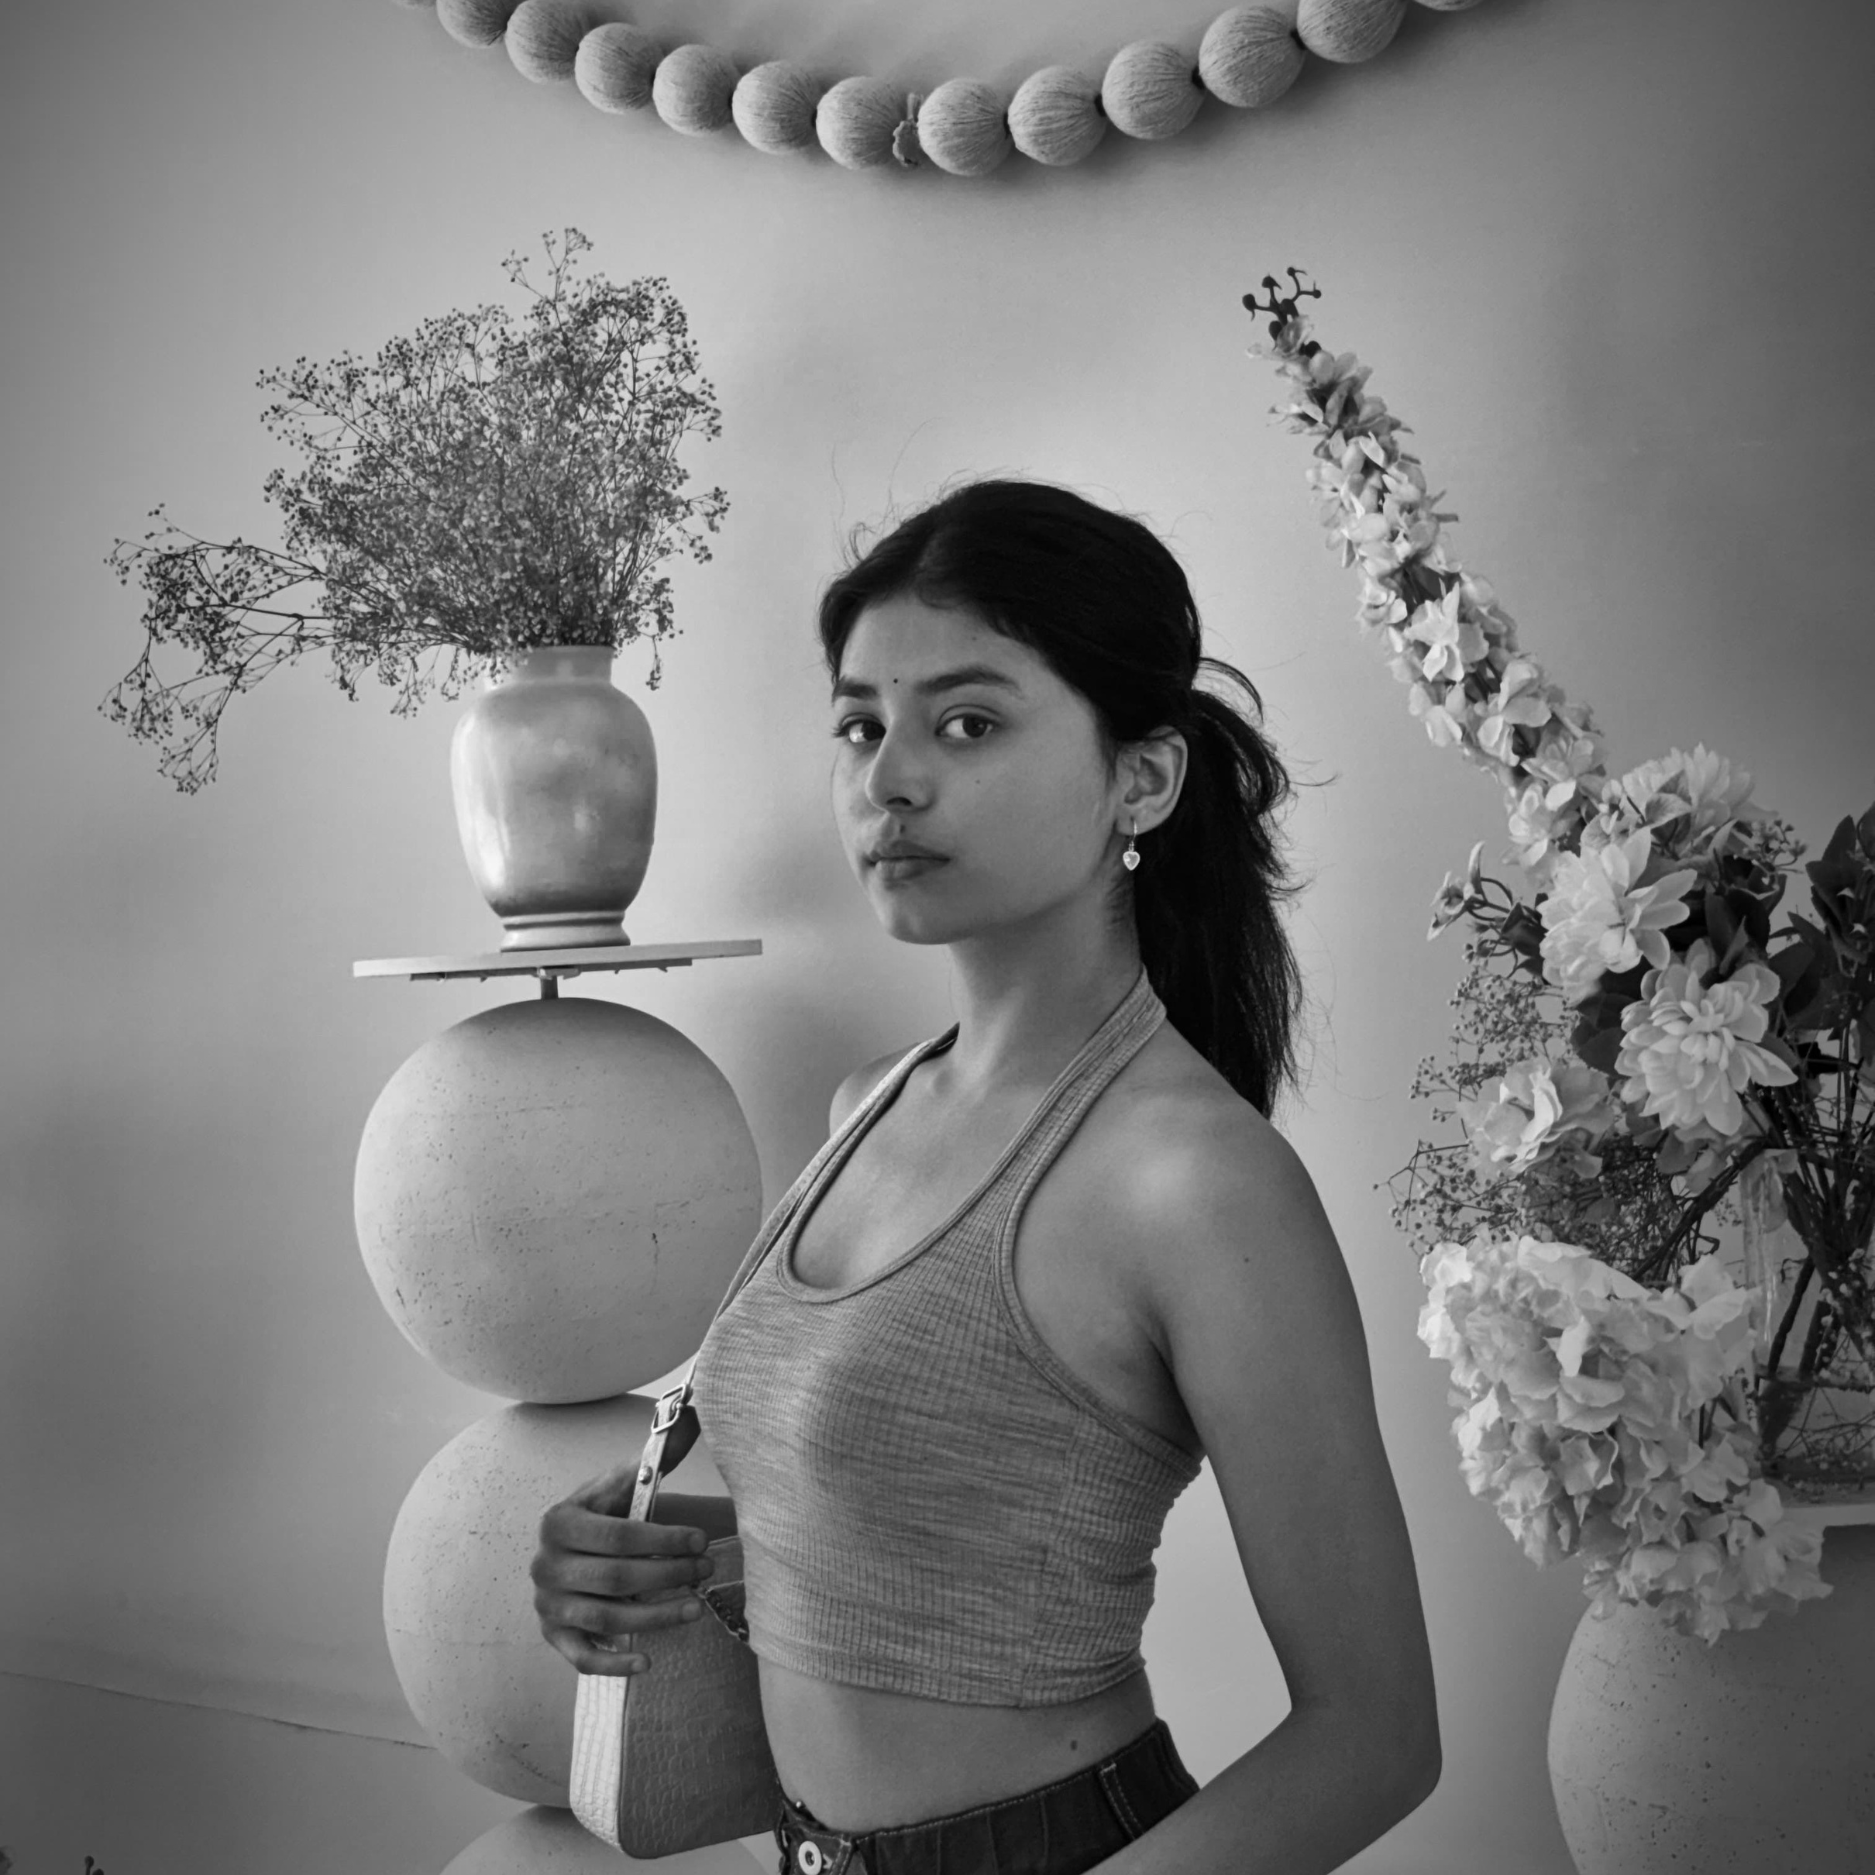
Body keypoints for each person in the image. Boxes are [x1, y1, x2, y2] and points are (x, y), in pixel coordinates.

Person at [531, 479, 1441, 1874]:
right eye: (861, 725)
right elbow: (921, 1530)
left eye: (967, 722)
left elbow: (1373, 1737)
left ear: (1141, 779)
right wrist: (645, 1560)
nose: (890, 779)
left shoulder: (1195, 1182)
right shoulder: (868, 1106)